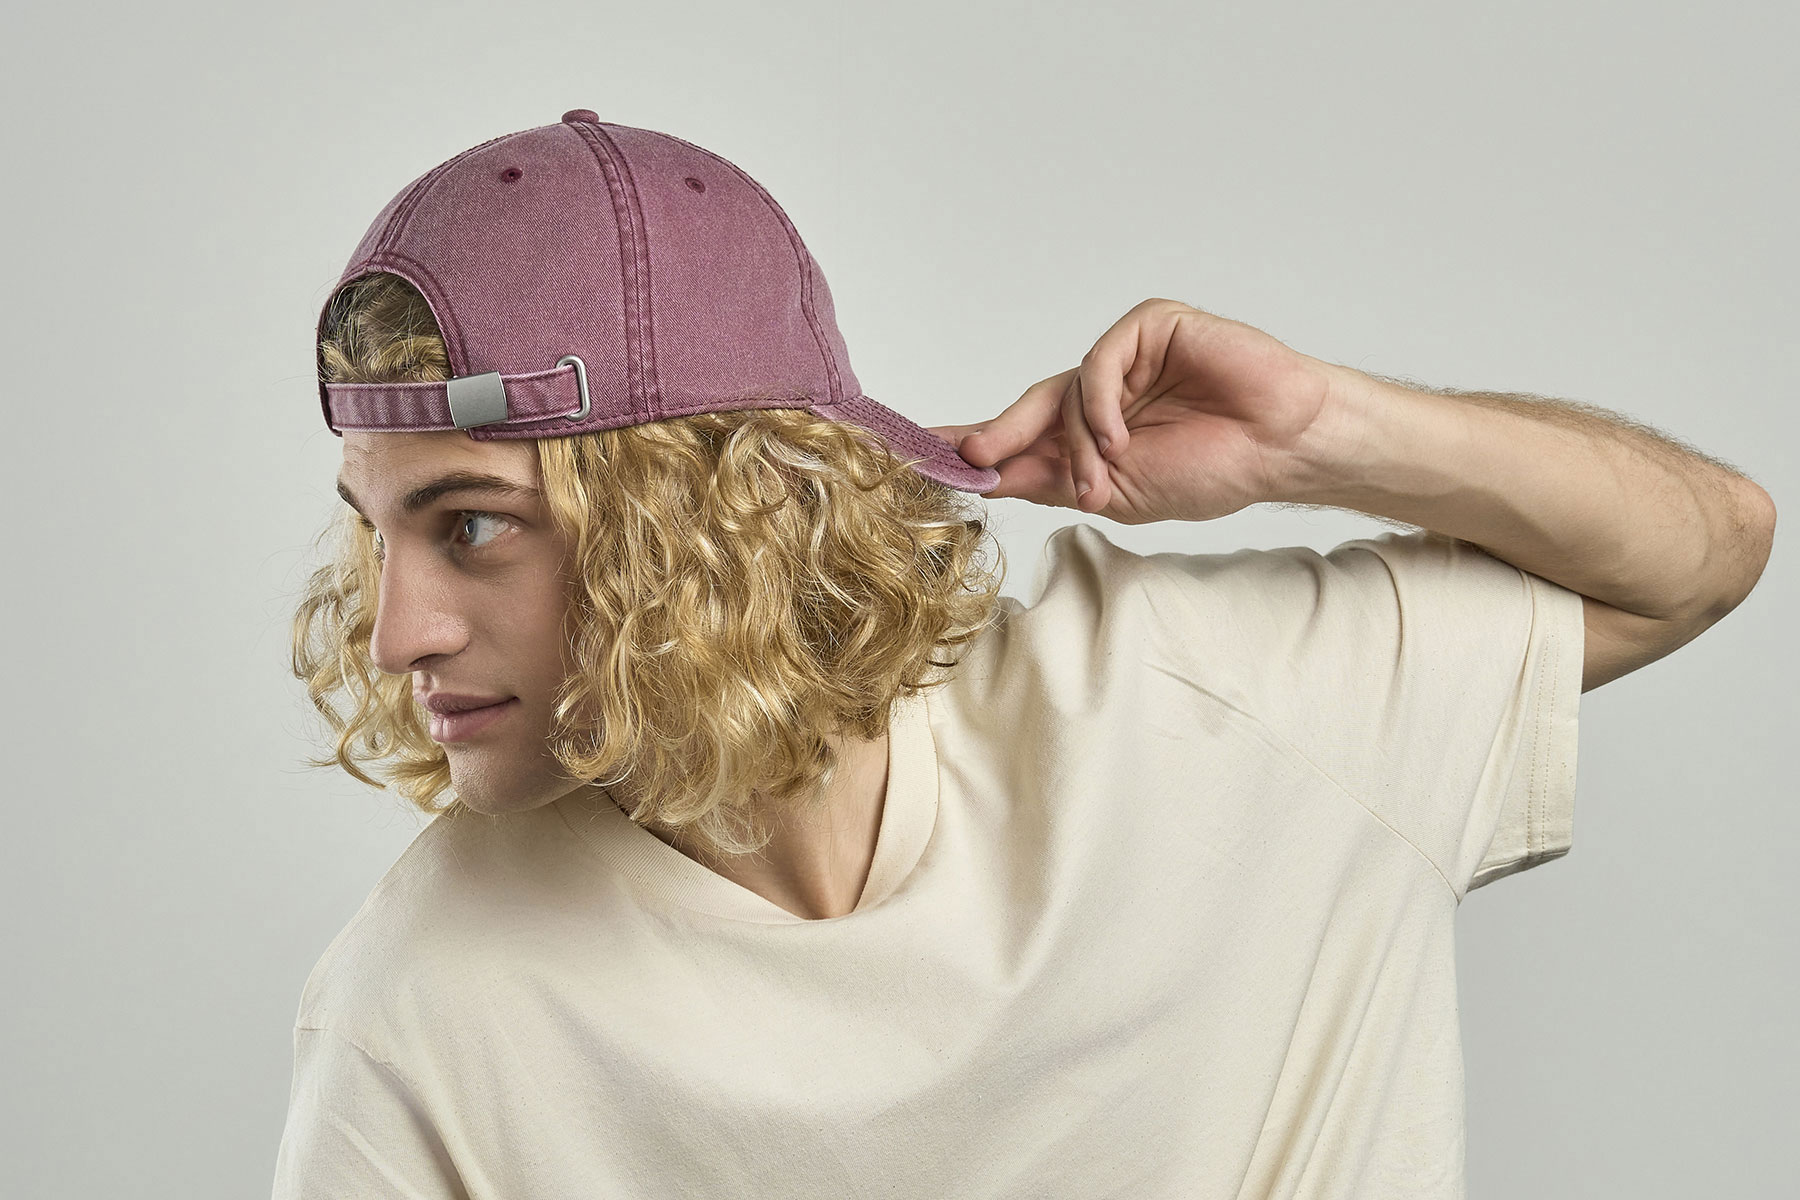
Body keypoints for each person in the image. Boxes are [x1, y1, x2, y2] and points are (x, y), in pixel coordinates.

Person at [271, 113, 1772, 1198]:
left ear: (714, 514)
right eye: (378, 531)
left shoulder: (1202, 709)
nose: (398, 632)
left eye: (473, 526)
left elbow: (1699, 557)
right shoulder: (425, 1011)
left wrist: (1322, 434)